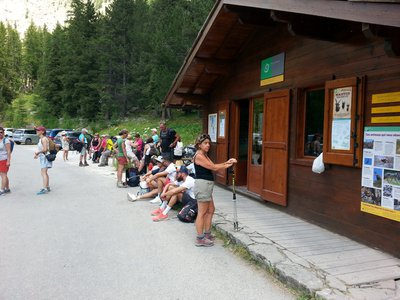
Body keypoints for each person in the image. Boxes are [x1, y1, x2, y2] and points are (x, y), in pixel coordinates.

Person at [193, 133, 236, 247]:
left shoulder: (204, 155)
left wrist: (227, 162)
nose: (208, 145)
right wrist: (228, 164)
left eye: (209, 143)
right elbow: (214, 167)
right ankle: (200, 238)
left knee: (211, 209)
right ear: (199, 145)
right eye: (205, 143)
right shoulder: (199, 156)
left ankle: (207, 234)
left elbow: (214, 165)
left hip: (207, 186)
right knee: (202, 212)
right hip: (202, 185)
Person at [34, 126, 53, 195]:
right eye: (36, 130)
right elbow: (42, 149)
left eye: (38, 130)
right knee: (44, 172)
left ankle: (44, 188)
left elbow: (45, 149)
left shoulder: (44, 139)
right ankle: (47, 186)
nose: (37, 131)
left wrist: (37, 153)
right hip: (43, 157)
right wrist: (37, 154)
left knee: (43, 172)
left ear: (42, 131)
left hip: (45, 158)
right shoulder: (41, 139)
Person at [0, 127, 11, 195]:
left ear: (3, 133)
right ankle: (7, 188)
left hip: (4, 159)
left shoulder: (6, 140)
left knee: (3, 174)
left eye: (1, 132)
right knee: (3, 175)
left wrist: (8, 161)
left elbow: (8, 151)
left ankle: (2, 190)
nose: (0, 133)